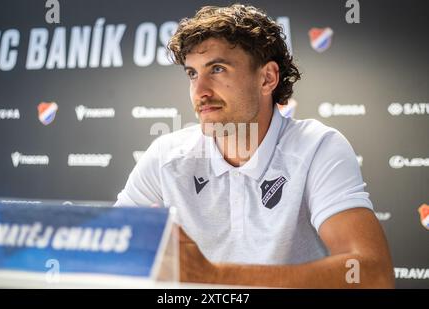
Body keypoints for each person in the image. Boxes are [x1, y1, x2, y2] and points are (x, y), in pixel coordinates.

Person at [115, 4, 394, 288]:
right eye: (192, 74)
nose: (200, 92)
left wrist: (212, 276)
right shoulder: (166, 155)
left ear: (267, 78)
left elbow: (371, 274)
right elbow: (109, 252)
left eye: (217, 69)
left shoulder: (317, 147)